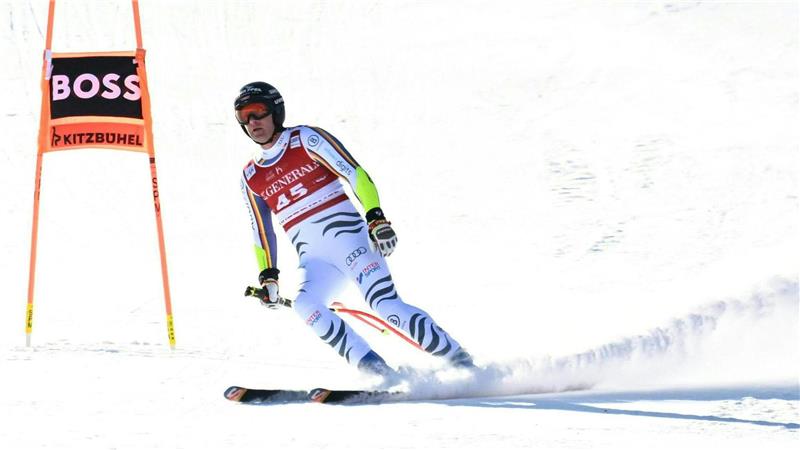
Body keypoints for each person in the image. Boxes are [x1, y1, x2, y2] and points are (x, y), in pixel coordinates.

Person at [235, 81, 474, 377]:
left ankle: (464, 363)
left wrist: (376, 218)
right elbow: (261, 230)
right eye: (244, 116)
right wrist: (268, 275)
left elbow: (354, 172)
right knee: (305, 304)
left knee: (386, 306)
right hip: (317, 262)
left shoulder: (305, 139)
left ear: (275, 111)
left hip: (352, 244)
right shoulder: (251, 176)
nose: (252, 122)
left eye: (258, 112)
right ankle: (379, 373)